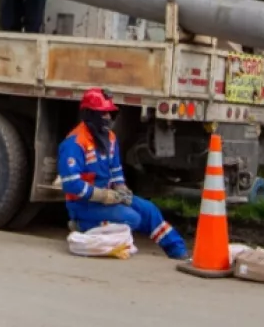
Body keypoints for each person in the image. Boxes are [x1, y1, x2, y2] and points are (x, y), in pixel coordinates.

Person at [58, 87, 189, 260]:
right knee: (132, 218)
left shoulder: (109, 138)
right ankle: (82, 224)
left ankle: (178, 251)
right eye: (103, 114)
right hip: (84, 204)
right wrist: (103, 196)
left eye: (109, 114)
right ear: (89, 114)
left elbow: (115, 169)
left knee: (149, 210)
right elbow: (71, 184)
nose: (107, 118)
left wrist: (121, 188)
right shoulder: (74, 143)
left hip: (109, 196)